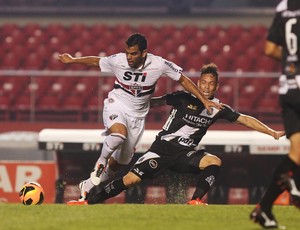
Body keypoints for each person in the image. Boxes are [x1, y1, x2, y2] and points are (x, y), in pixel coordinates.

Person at [66, 63, 285, 206]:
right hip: (161, 152)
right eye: (204, 82)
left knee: (214, 161)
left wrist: (272, 132)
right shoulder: (183, 98)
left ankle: (196, 200)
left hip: (185, 155)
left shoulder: (218, 108)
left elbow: (245, 118)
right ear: (198, 83)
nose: (207, 86)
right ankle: (88, 201)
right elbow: (155, 101)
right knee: (130, 180)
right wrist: (128, 103)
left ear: (217, 86)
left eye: (211, 83)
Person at [58, 33, 221, 202]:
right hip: (117, 104)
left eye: (134, 53)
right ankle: (99, 164)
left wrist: (203, 99)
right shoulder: (118, 60)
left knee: (119, 164)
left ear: (144, 53)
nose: (129, 57)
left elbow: (183, 80)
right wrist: (72, 60)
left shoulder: (158, 64)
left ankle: (88, 185)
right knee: (118, 135)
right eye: (127, 52)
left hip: (138, 117)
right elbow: (96, 61)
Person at [250, 0, 300, 228]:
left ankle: (264, 209)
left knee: (297, 153)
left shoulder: (284, 6)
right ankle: (293, 182)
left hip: (288, 88)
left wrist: (292, 61)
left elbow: (270, 48)